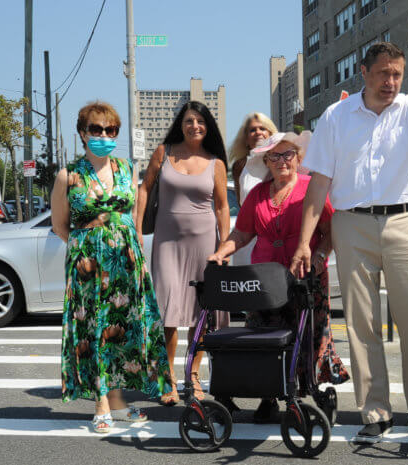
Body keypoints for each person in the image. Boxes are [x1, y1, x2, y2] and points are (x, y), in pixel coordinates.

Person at [290, 42, 408, 444]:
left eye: (397, 74)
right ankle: (375, 411)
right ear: (364, 73)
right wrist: (304, 242)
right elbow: (319, 183)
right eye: (383, 73)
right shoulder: (336, 117)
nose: (391, 82)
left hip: (405, 222)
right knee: (361, 324)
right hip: (352, 226)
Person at [208, 131, 349, 423]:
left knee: (307, 337)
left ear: (298, 159)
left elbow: (330, 230)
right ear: (266, 161)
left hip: (305, 276)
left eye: (288, 155)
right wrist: (221, 252)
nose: (282, 161)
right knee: (264, 337)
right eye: (275, 156)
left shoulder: (312, 188)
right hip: (264, 279)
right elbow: (242, 232)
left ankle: (309, 393)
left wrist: (321, 257)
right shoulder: (259, 193)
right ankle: (268, 397)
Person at [52, 101, 173, 433]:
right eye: (96, 129)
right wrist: (88, 246)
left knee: (123, 330)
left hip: (126, 261)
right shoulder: (68, 174)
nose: (104, 135)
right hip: (88, 266)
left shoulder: (126, 168)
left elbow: (134, 218)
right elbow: (60, 225)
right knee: (94, 329)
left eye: (110, 130)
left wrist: (132, 250)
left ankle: (118, 402)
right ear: (82, 133)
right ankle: (101, 402)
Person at [135, 101, 230, 405]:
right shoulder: (164, 152)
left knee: (201, 315)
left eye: (201, 121)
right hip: (167, 243)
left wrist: (225, 246)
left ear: (208, 126)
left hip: (204, 244)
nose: (195, 126)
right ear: (181, 123)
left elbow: (222, 206)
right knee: (168, 313)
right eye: (189, 121)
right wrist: (136, 230)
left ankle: (193, 376)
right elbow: (145, 189)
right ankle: (167, 379)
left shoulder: (215, 162)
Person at [227, 112, 278, 266]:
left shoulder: (279, 162)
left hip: (274, 232)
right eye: (252, 130)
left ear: (270, 134)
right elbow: (241, 202)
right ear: (246, 139)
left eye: (263, 128)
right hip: (247, 236)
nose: (258, 133)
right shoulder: (239, 165)